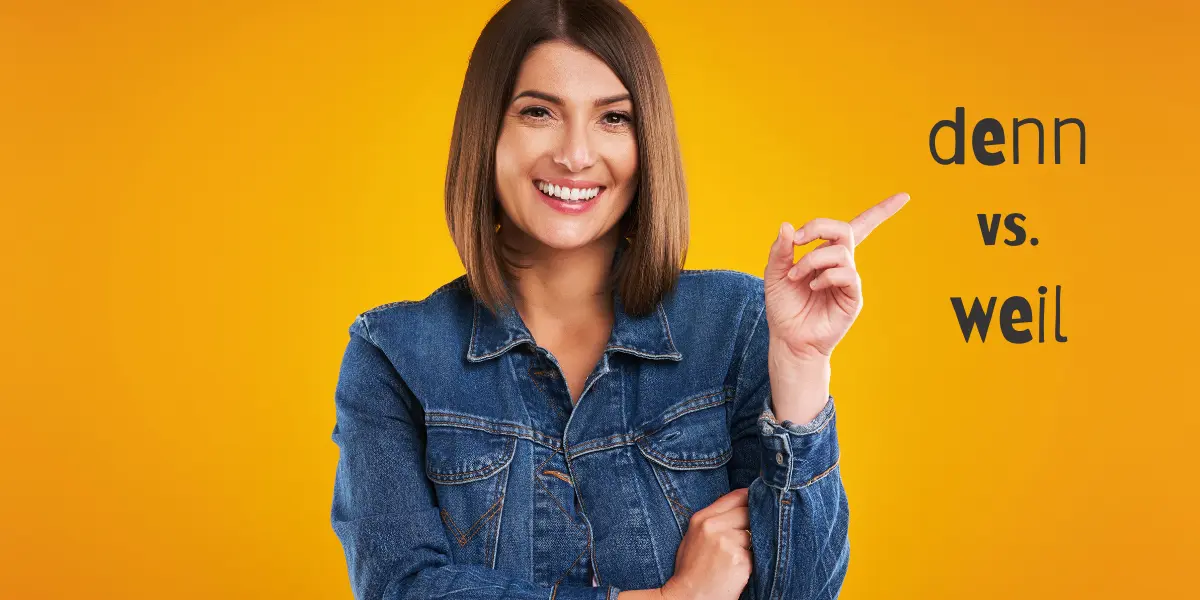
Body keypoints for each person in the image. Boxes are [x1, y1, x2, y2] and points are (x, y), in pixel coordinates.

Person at [329, 0, 908, 599]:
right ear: (487, 134)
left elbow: (800, 592)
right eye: (538, 113)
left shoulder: (736, 323)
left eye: (613, 119)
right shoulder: (394, 355)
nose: (576, 155)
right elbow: (403, 586)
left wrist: (802, 366)